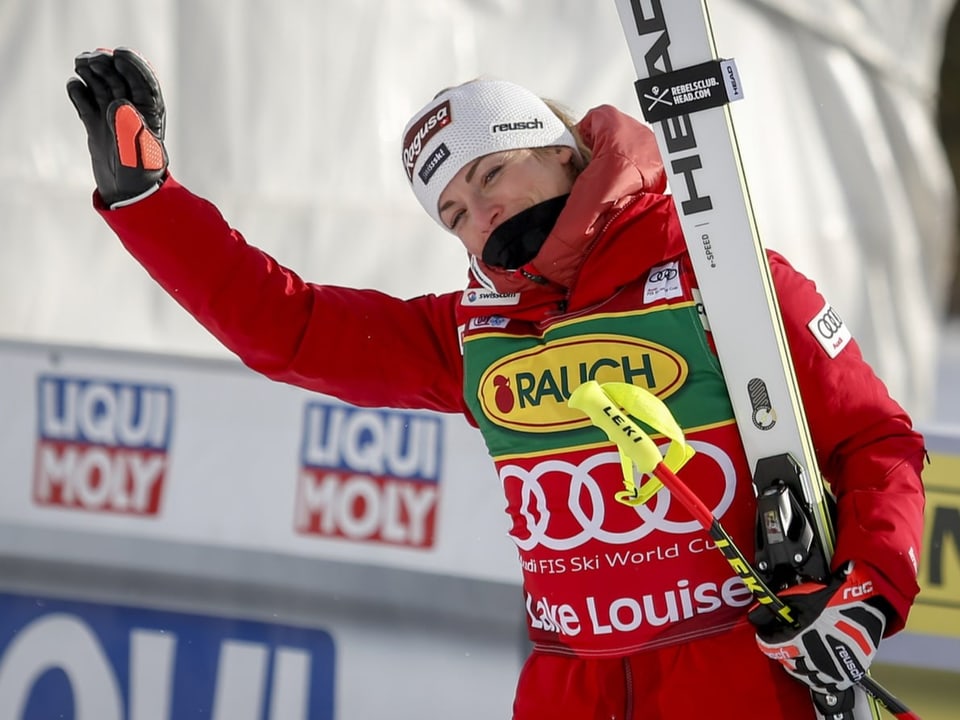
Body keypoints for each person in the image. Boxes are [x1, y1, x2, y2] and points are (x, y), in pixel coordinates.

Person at [67, 48, 926, 720]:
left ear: (559, 151)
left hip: (736, 683)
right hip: (568, 693)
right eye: (452, 212)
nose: (478, 214)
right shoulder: (474, 336)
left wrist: (864, 595)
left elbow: (875, 439)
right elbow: (288, 326)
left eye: (488, 173)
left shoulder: (722, 275)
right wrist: (147, 200)